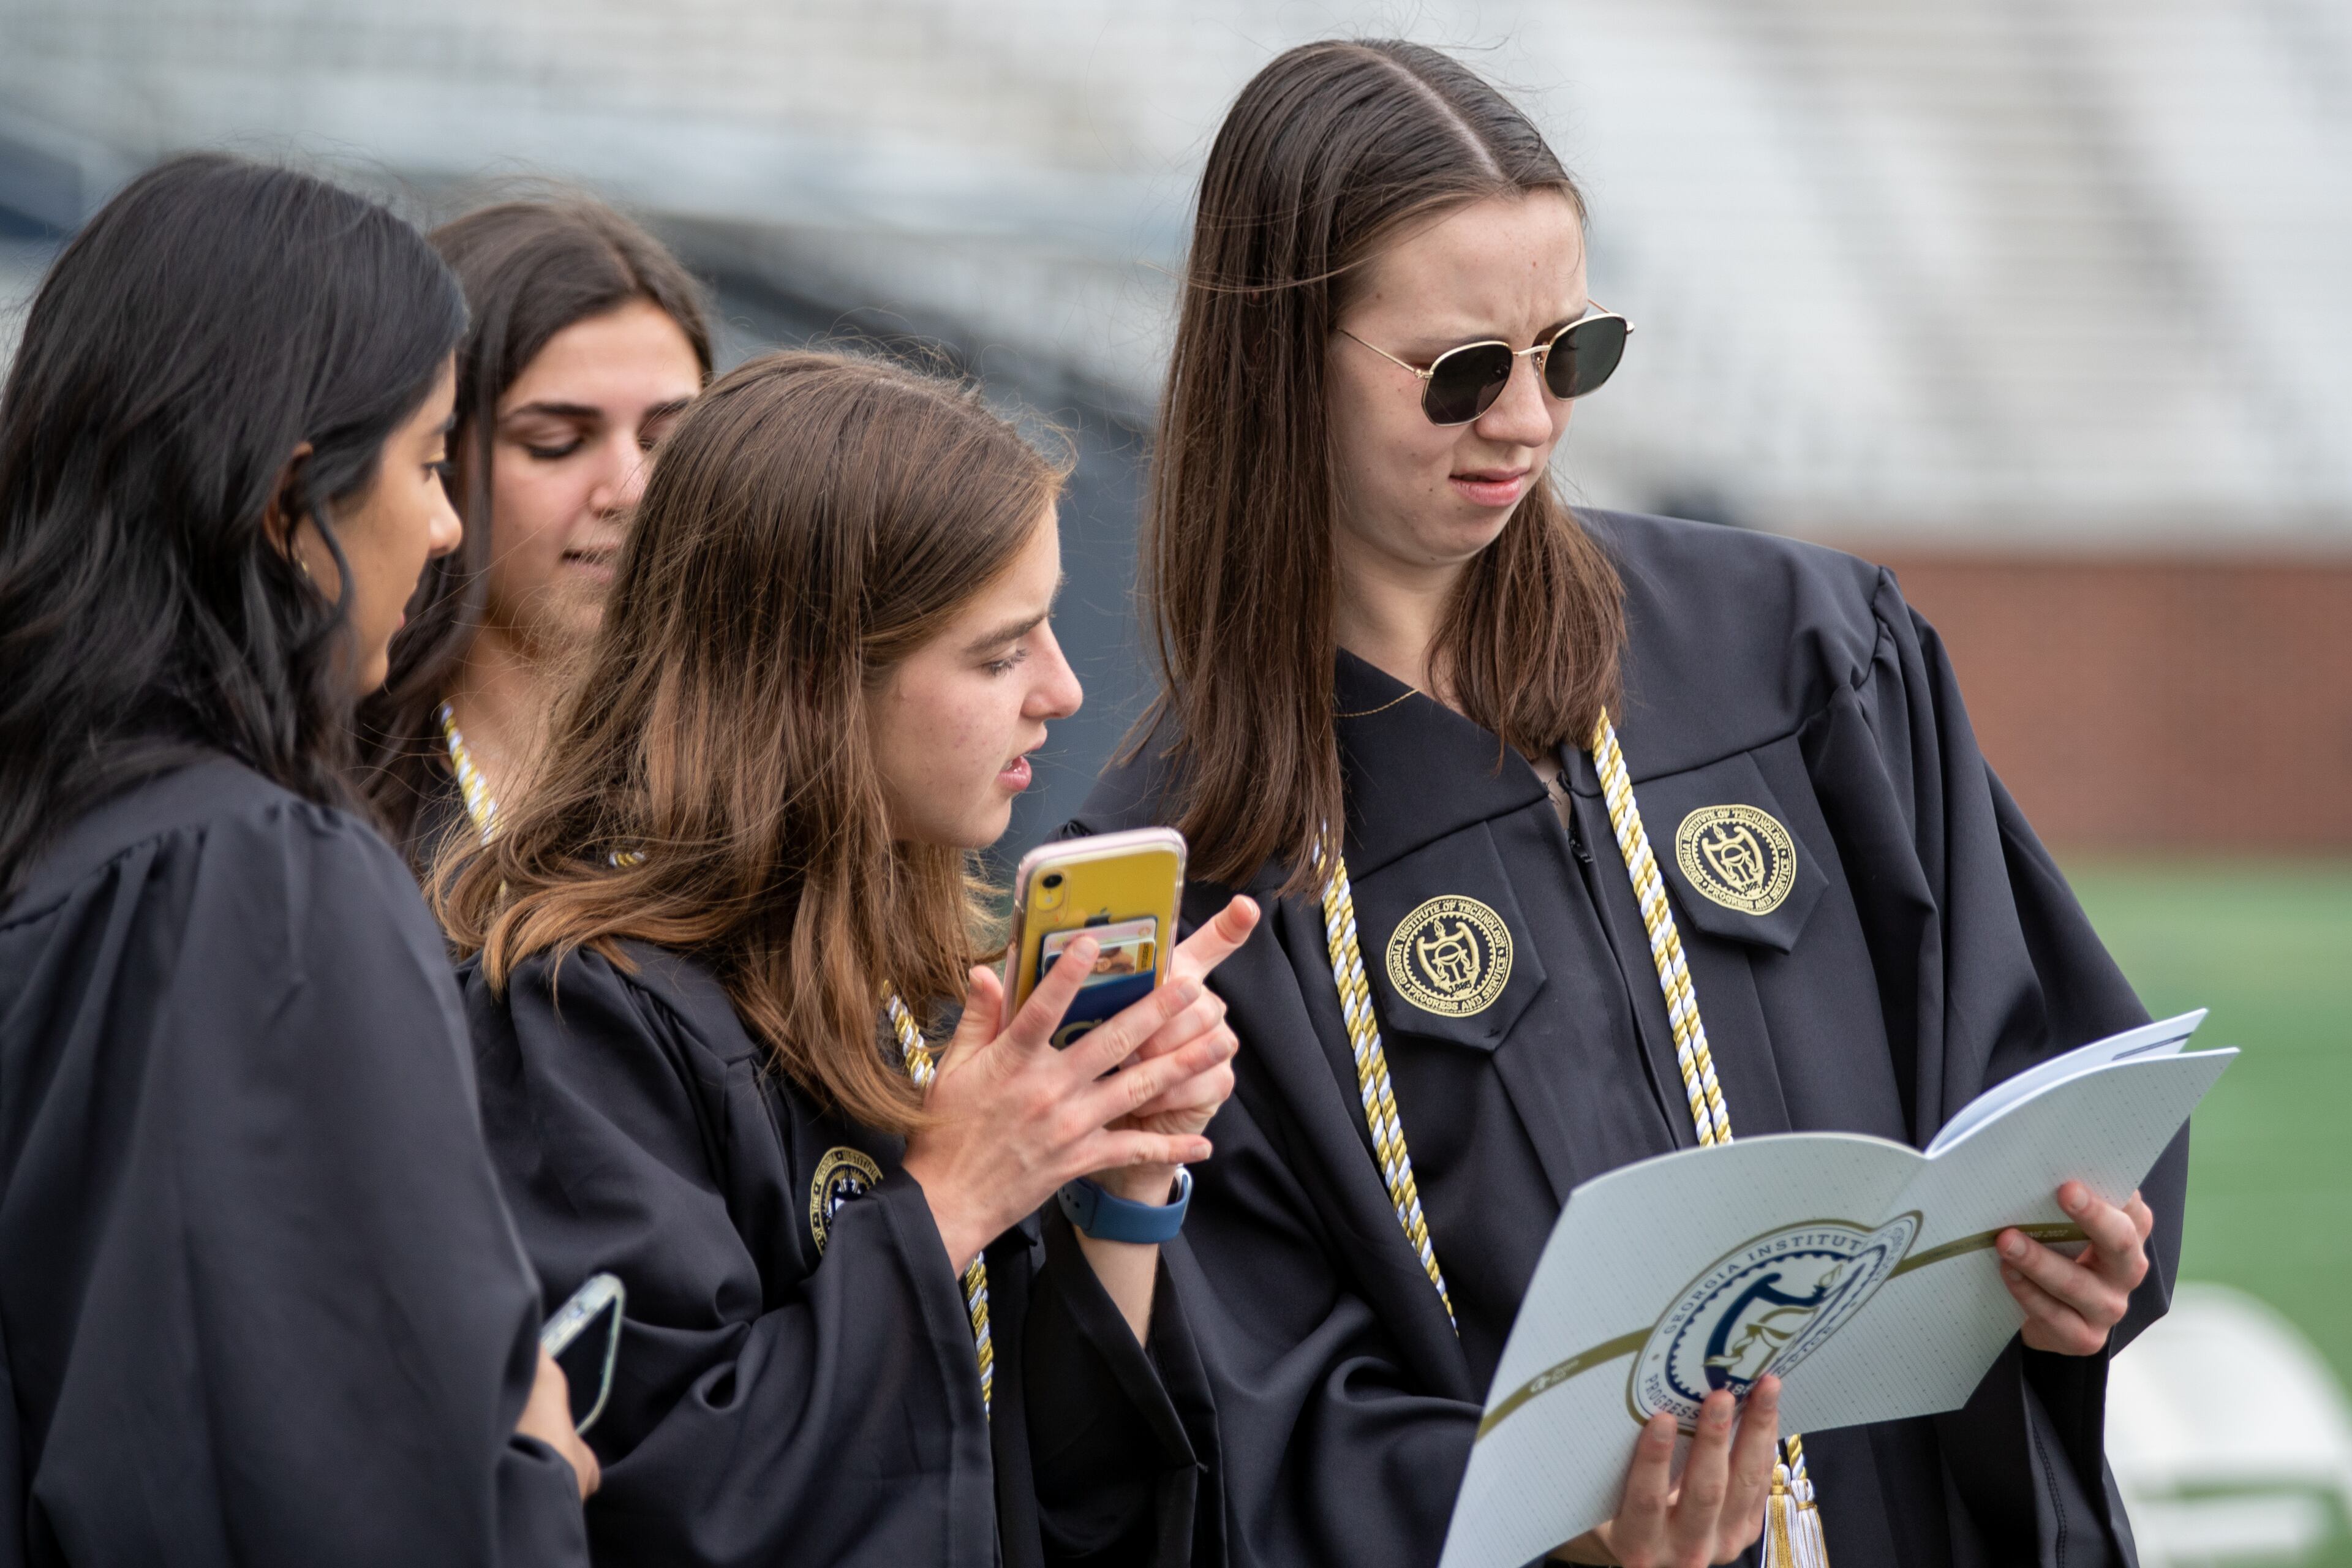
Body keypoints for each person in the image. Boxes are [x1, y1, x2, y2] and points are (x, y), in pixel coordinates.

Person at [1069, 40, 2179, 1568]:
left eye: (1567, 352)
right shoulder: (1191, 874)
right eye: (1461, 371)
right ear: (1278, 360)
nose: (1525, 421)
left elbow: (2023, 1044)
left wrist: (2086, 1243)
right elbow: (1238, 1380)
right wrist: (1528, 1508)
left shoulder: (1793, 651)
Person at [439, 350, 1258, 1567]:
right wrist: (955, 1200)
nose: (1066, 689)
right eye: (999, 653)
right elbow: (665, 1500)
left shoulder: (920, 984)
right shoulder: (574, 1011)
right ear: (814, 684)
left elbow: (1064, 1508)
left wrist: (1119, 1174)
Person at [0, 154, 597, 1564]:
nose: (449, 525)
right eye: (427, 458)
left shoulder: (67, 840)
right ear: (287, 505)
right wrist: (524, 1454)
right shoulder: (258, 878)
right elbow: (348, 1469)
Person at [355, 197, 710, 867]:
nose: (631, 490)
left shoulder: (779, 792)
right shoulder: (310, 802)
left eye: (668, 440)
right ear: (432, 453)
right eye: (556, 442)